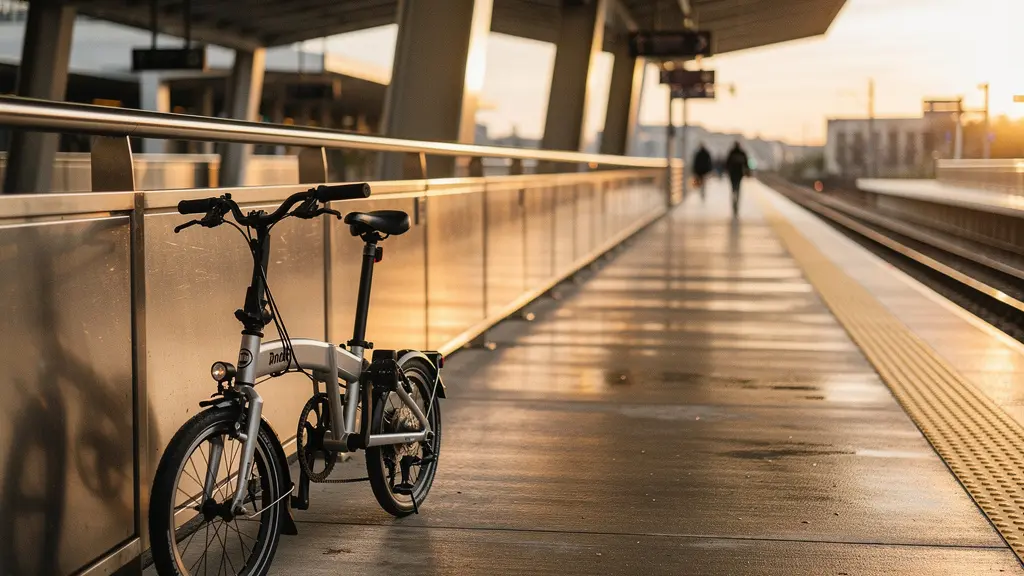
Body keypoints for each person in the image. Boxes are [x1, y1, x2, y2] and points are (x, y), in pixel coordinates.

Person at [725, 142, 750, 216]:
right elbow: (746, 163)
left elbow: (727, 163)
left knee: (733, 188)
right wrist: (747, 171)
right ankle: (736, 202)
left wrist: (727, 170)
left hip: (732, 174)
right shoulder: (742, 153)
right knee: (738, 188)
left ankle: (734, 201)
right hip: (739, 174)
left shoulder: (731, 152)